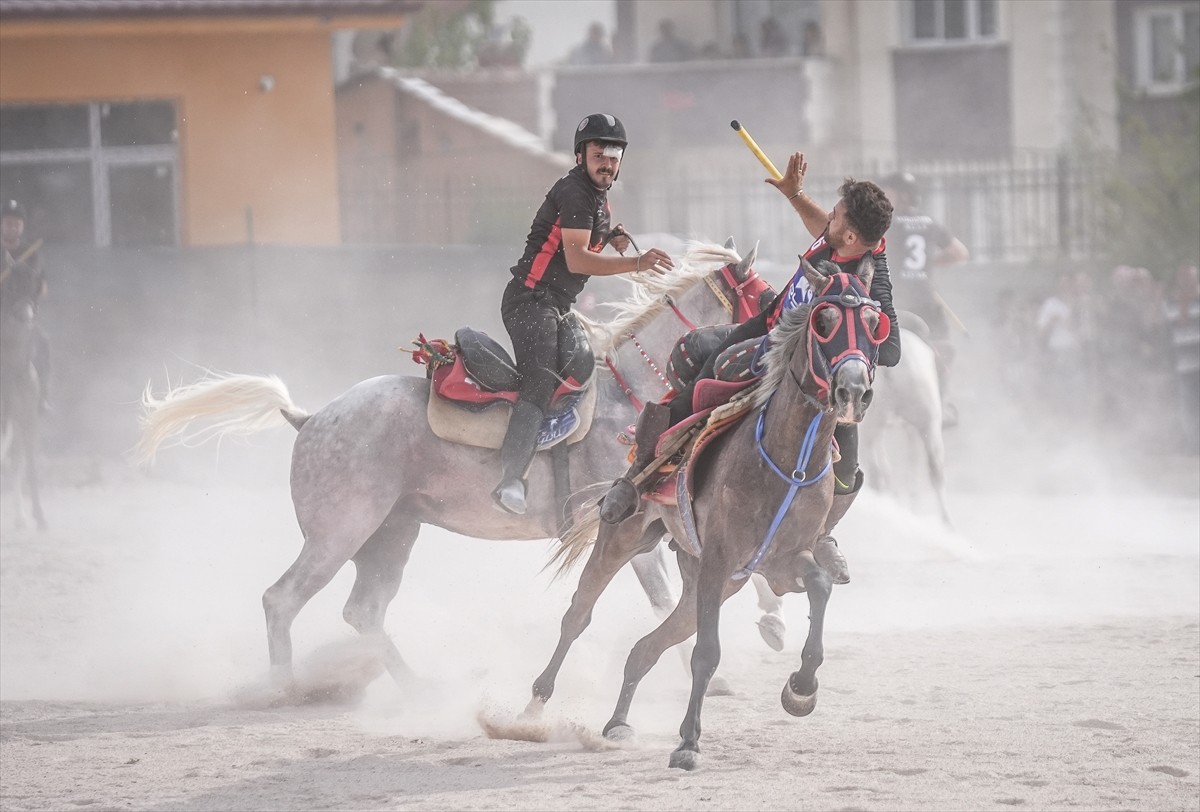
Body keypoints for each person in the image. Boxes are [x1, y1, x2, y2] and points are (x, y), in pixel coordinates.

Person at [599, 152, 900, 586]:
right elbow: (822, 226)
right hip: (767, 329)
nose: (826, 218)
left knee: (847, 468)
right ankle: (638, 477)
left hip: (815, 376)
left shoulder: (873, 277)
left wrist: (849, 337)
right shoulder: (841, 239)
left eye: (834, 216)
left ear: (851, 235)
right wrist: (795, 195)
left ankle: (820, 535)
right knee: (699, 361)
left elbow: (889, 349)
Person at [491, 113, 675, 515]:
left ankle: (553, 447)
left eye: (614, 155)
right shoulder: (575, 192)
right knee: (540, 380)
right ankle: (511, 479)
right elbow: (576, 261)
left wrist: (610, 236)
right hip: (529, 301)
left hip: (556, 307)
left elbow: (583, 238)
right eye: (599, 154)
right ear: (581, 156)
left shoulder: (597, 197)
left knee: (583, 365)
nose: (607, 163)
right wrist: (637, 263)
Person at [881, 171, 969, 426]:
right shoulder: (929, 222)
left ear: (903, 195)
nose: (884, 196)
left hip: (897, 302)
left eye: (888, 191)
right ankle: (941, 404)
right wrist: (929, 265)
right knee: (943, 351)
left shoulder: (887, 223)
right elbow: (960, 252)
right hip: (926, 298)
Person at [0, 198, 50, 411]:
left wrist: (25, 276)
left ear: (22, 226)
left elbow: (42, 287)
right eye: (8, 222)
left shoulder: (32, 253)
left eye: (17, 223)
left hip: (21, 316)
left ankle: (41, 398)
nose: (12, 227)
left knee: (43, 344)